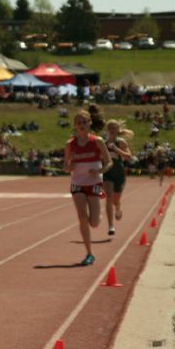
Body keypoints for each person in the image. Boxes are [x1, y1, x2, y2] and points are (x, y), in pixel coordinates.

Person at [63, 109, 113, 266]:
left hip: (95, 184)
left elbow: (109, 162)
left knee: (95, 223)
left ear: (90, 123)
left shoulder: (97, 141)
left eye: (84, 122)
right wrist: (69, 167)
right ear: (75, 126)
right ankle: (89, 253)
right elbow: (66, 166)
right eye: (79, 122)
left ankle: (97, 216)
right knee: (82, 218)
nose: (82, 125)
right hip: (77, 184)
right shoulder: (70, 145)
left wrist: (99, 170)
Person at [102, 119, 134, 236]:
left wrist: (116, 149)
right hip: (107, 174)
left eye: (114, 128)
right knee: (109, 198)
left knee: (116, 201)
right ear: (107, 130)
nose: (112, 130)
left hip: (119, 174)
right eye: (110, 127)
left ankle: (118, 208)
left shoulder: (121, 142)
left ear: (117, 130)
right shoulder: (102, 143)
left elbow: (129, 157)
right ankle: (111, 226)